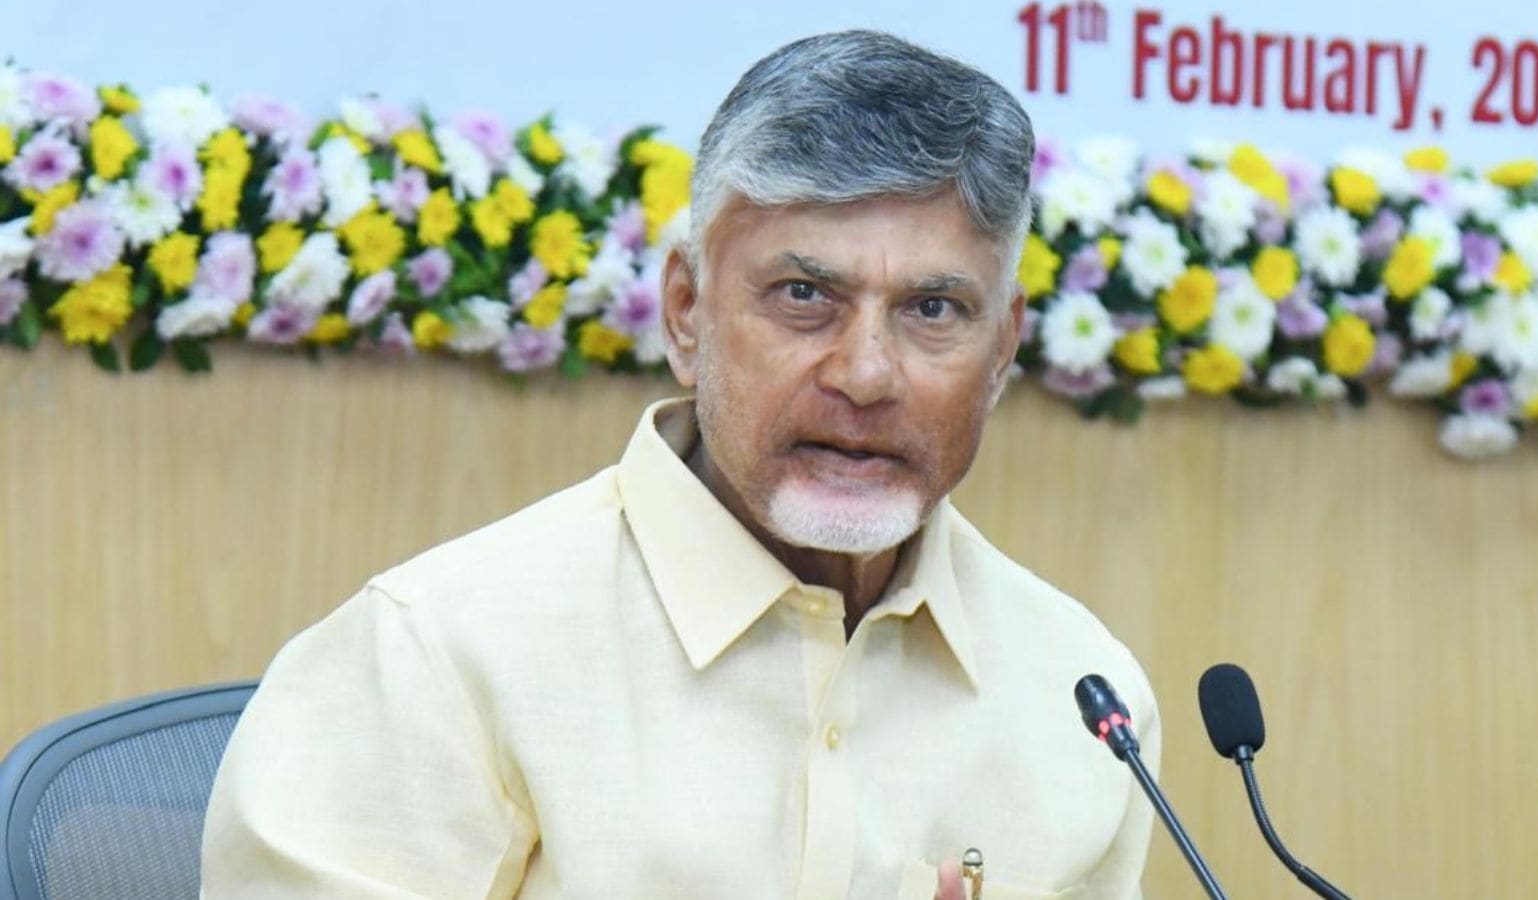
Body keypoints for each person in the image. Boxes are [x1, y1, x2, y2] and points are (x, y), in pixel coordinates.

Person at [201, 29, 1159, 900]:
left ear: (1002, 353)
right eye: (803, 295)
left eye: (934, 311)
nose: (868, 374)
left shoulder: (1083, 698)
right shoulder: (437, 659)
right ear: (686, 314)